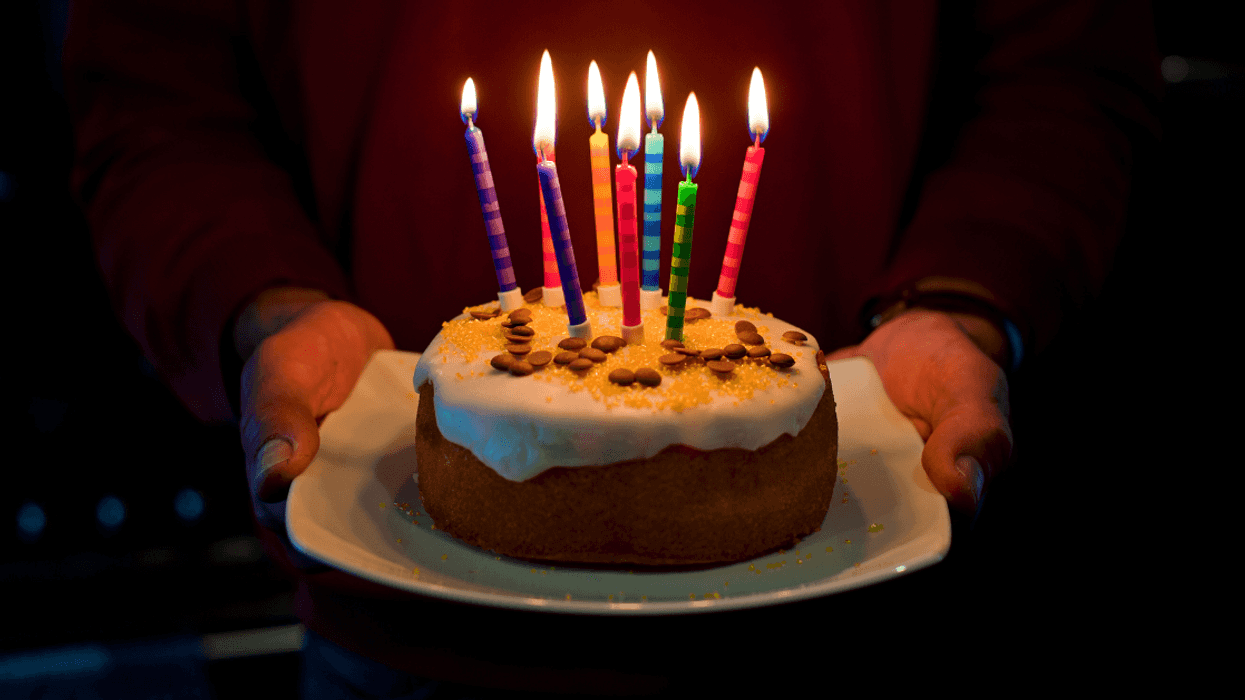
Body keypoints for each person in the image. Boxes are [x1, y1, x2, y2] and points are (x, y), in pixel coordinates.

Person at [64, 0, 1160, 693]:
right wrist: (263, 300)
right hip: (396, 637)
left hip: (856, 633)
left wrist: (972, 294)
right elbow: (154, 93)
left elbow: (1067, 63)